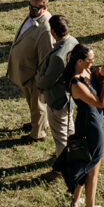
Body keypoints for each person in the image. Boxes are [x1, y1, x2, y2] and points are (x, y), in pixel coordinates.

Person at [53, 43, 104, 207]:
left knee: (82, 160)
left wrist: (100, 73)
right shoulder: (76, 83)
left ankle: (76, 201)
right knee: (92, 168)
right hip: (91, 126)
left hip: (88, 121)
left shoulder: (86, 72)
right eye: (90, 60)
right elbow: (101, 103)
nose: (92, 62)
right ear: (79, 61)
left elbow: (94, 80)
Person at [6, 0, 53, 141]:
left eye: (35, 8)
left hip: (34, 75)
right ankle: (37, 124)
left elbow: (45, 58)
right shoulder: (33, 17)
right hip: (25, 71)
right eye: (30, 6)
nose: (31, 10)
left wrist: (40, 80)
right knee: (32, 104)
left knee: (38, 105)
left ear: (44, 8)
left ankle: (38, 135)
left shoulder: (46, 28)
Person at [36, 14, 78, 160]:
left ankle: (61, 167)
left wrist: (39, 84)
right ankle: (74, 154)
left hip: (58, 99)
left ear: (53, 32)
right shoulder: (73, 42)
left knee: (60, 135)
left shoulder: (59, 56)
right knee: (69, 128)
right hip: (70, 95)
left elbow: (48, 79)